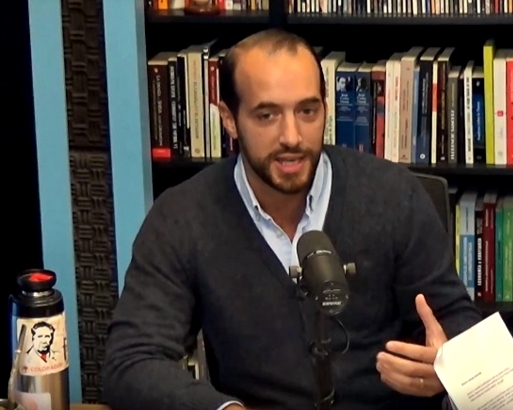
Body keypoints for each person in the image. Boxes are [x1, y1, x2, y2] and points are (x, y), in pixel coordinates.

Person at [101, 28, 482, 410]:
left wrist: (449, 365)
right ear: (229, 119)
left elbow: (455, 318)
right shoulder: (183, 216)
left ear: (326, 109)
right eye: (267, 115)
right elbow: (131, 363)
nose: (292, 136)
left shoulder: (394, 195)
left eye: (307, 111)